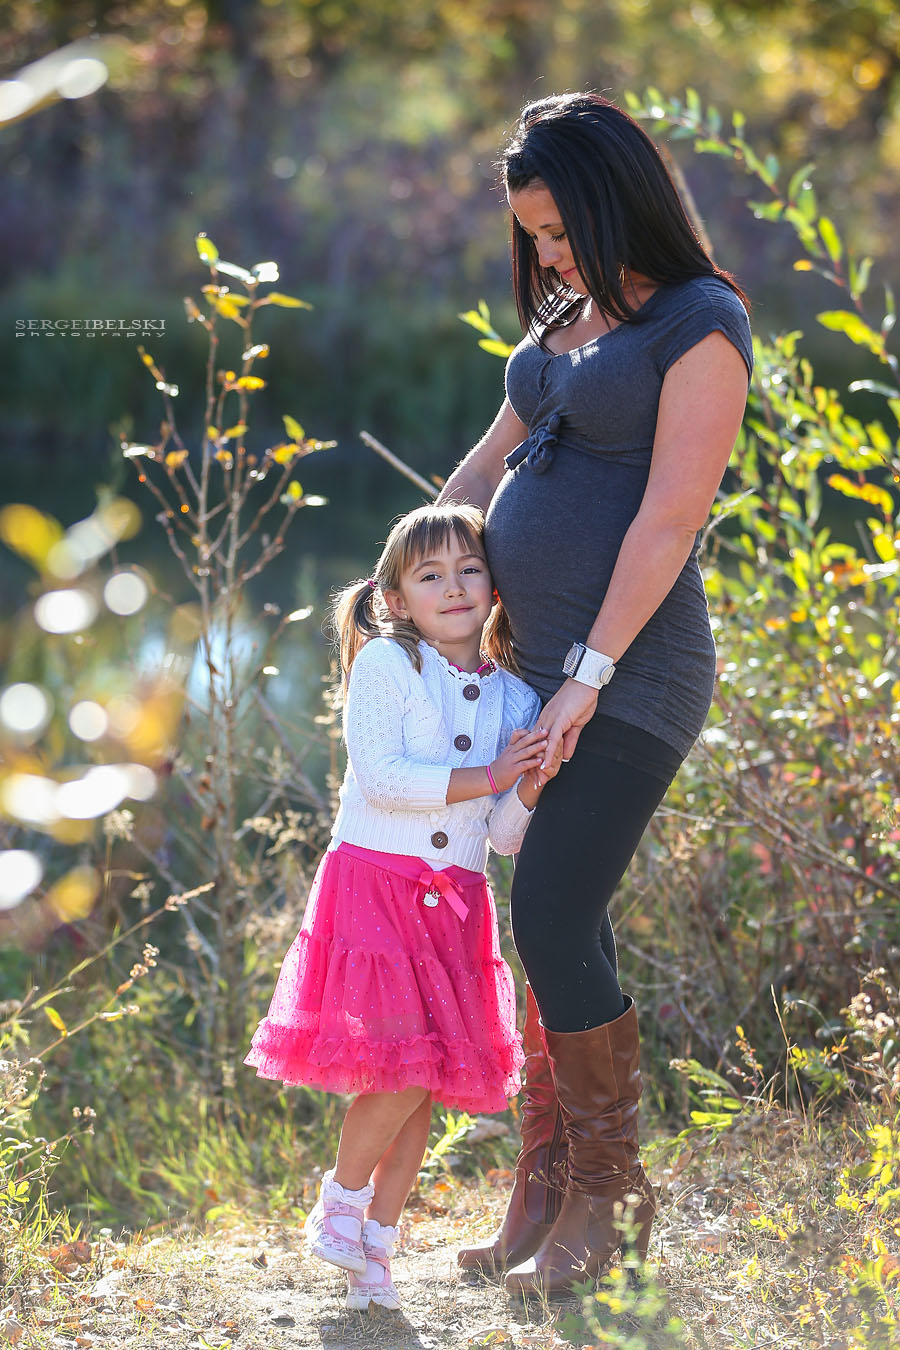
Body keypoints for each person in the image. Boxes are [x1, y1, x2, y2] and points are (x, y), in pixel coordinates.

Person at [441, 93, 753, 1295]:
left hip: (631, 675)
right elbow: (480, 467)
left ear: (618, 196)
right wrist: (398, 580)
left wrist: (582, 679)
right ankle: (548, 1181)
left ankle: (607, 1203)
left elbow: (670, 520)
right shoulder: (570, 318)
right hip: (537, 676)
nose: (551, 258)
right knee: (549, 921)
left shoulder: (699, 320)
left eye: (563, 230)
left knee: (555, 911)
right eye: (536, 240)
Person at [244, 502, 549, 1313]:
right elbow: (381, 778)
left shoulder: (516, 697)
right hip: (377, 885)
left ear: (495, 581)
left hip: (455, 904)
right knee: (399, 1066)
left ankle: (375, 1246)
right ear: (395, 597)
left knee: (428, 1074)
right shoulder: (388, 664)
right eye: (430, 575)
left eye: (469, 569)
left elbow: (507, 836)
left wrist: (531, 779)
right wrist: (490, 777)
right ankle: (340, 1201)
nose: (454, 587)